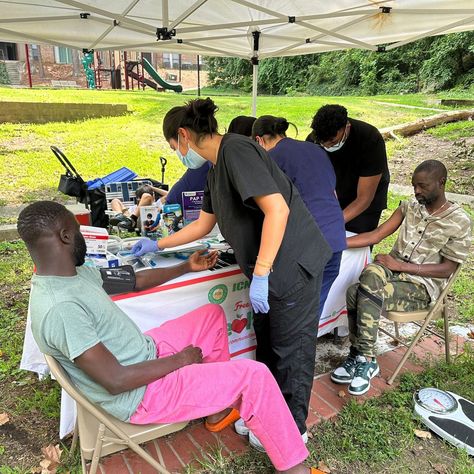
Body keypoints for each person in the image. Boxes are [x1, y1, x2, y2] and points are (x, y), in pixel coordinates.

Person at [18, 201, 324, 474]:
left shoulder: (72, 272)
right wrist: (179, 361)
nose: (83, 237)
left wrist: (185, 266)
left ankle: (216, 409)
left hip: (144, 353)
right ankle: (294, 469)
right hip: (140, 394)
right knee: (254, 376)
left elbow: (133, 280)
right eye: (78, 230)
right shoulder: (61, 309)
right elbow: (116, 380)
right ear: (65, 237)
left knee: (211, 315)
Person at [132, 98, 332, 444]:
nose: (178, 154)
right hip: (266, 272)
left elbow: (278, 211)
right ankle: (267, 414)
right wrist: (156, 244)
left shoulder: (237, 151)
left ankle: (292, 431)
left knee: (292, 353)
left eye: (173, 147)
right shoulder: (215, 168)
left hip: (291, 267)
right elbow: (202, 226)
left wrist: (264, 272)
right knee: (268, 346)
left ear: (183, 136)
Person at [331, 160, 471, 396]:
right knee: (369, 275)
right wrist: (335, 243)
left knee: (358, 292)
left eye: (422, 186)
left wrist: (402, 266)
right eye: (414, 185)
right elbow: (377, 234)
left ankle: (362, 355)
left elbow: (448, 269)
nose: (416, 191)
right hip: (391, 273)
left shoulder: (459, 221)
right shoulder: (409, 207)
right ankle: (363, 356)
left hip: (422, 286)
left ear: (441, 183)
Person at [252, 115, 346, 314]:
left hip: (308, 243)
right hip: (335, 238)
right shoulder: (316, 150)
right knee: (313, 311)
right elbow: (332, 193)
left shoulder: (272, 157)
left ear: (259, 140)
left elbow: (273, 209)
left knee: (296, 316)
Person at [307, 104, 390, 234]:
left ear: (346, 127)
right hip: (332, 198)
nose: (326, 146)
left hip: (365, 203)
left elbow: (364, 198)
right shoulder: (314, 139)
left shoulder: (369, 138)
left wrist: (334, 222)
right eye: (322, 143)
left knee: (356, 243)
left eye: (332, 142)